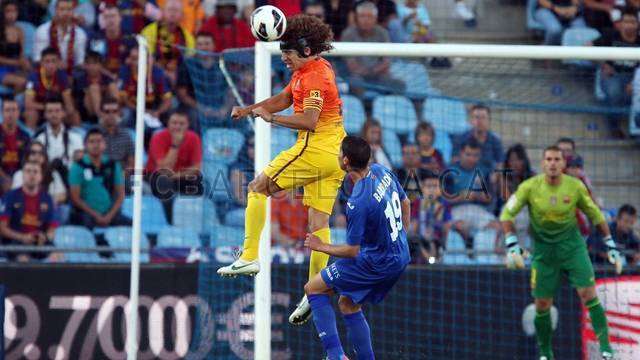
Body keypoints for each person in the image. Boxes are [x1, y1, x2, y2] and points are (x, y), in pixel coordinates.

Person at [216, 14, 347, 326]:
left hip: (315, 148)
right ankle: (316, 288)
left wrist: (271, 119)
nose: (284, 60)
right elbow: (285, 97)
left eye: (287, 55)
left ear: (302, 51)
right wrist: (250, 110)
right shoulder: (313, 69)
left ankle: (248, 256)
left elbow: (309, 121)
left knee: (257, 188)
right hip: (336, 154)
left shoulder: (314, 77)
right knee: (318, 223)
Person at [500, 145, 619, 360]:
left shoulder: (575, 186)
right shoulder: (529, 187)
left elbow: (596, 216)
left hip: (573, 250)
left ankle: (606, 347)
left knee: (589, 296)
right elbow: (507, 213)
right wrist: (511, 243)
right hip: (544, 254)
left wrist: (610, 244)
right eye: (549, 159)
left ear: (563, 164)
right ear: (543, 163)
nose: (553, 163)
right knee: (542, 304)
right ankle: (546, 353)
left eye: (557, 159)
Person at [303, 136, 410, 360]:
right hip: (400, 254)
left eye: (339, 152)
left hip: (377, 262)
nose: (337, 155)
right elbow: (406, 202)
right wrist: (400, 236)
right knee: (348, 305)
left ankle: (335, 356)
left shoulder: (358, 201)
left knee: (313, 288)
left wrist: (321, 245)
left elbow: (352, 251)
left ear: (345, 161)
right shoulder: (382, 171)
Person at [145, 110, 203, 222]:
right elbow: (163, 170)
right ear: (168, 124)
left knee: (197, 181)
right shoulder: (158, 137)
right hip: (156, 176)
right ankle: (169, 220)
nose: (177, 127)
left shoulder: (193, 138)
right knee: (164, 181)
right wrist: (175, 145)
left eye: (181, 124)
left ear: (187, 125)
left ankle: (191, 219)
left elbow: (196, 168)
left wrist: (176, 176)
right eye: (174, 123)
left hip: (178, 176)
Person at [69, 128, 130, 229]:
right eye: (92, 142)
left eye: (99, 141)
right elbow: (76, 198)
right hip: (86, 214)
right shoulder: (78, 167)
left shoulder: (113, 165)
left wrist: (109, 216)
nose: (96, 145)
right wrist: (96, 216)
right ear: (85, 145)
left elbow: (120, 195)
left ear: (104, 144)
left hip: (109, 213)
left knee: (132, 226)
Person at [341, 1, 405, 95]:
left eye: (369, 16)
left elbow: (386, 61)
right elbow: (350, 64)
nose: (366, 20)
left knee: (399, 85)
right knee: (355, 83)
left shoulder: (383, 33)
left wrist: (373, 71)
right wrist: (366, 72)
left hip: (378, 75)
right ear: (356, 18)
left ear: (375, 19)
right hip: (356, 76)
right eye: (362, 16)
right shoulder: (348, 34)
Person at [0, 160, 59, 262]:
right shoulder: (10, 196)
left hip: (39, 243)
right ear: (22, 175)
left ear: (41, 176)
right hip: (15, 241)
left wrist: (44, 237)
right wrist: (22, 237)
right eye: (28, 171)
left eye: (35, 171)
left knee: (58, 257)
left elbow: (52, 229)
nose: (32, 174)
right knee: (23, 260)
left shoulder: (47, 198)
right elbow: (2, 228)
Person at [12, 141, 68, 223]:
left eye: (41, 153)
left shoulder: (53, 174)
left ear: (45, 157)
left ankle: (51, 233)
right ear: (27, 156)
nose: (37, 156)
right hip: (25, 210)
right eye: (33, 153)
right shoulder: (19, 174)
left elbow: (63, 195)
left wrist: (47, 202)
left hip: (48, 210)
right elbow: (16, 196)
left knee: (64, 209)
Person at [141, 0, 195, 85]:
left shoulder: (188, 38)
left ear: (182, 15)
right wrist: (164, 73)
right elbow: (147, 59)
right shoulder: (149, 32)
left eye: (176, 10)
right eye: (169, 10)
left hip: (178, 81)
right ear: (162, 12)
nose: (172, 13)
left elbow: (189, 64)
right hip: (153, 78)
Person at [25, 47, 79, 129]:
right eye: (47, 61)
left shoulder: (62, 77)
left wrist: (64, 111)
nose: (50, 65)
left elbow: (69, 103)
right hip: (40, 109)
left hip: (57, 110)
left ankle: (75, 139)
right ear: (41, 63)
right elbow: (28, 103)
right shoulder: (33, 77)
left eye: (53, 61)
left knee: (74, 115)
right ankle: (31, 140)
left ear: (58, 63)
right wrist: (48, 108)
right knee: (31, 114)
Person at [33, 0, 88, 74]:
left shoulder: (80, 33)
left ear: (73, 12)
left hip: (72, 73)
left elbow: (80, 62)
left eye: (69, 9)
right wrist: (55, 64)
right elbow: (38, 59)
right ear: (55, 11)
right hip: (47, 71)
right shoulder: (43, 30)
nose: (65, 13)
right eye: (62, 9)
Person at [410, 171, 451, 263]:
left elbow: (447, 226)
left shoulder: (444, 204)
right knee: (416, 243)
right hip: (420, 239)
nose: (432, 190)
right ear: (422, 188)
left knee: (433, 244)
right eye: (429, 186)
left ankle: (434, 259)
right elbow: (414, 223)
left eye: (435, 186)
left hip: (437, 239)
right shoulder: (417, 203)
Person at [452, 103, 503, 175]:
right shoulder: (460, 139)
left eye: (483, 117)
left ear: (489, 120)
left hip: (488, 178)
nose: (480, 121)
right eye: (476, 117)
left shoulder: (495, 141)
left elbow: (500, 163)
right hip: (465, 177)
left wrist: (494, 175)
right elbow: (454, 161)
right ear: (471, 120)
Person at [88, 4, 136, 76]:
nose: (110, 20)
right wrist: (111, 76)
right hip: (104, 78)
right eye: (107, 17)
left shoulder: (130, 38)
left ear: (120, 18)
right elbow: (96, 64)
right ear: (103, 19)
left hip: (125, 77)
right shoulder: (97, 38)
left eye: (113, 16)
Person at [73, 51, 119, 121]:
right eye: (88, 64)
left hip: (107, 108)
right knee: (94, 88)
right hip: (88, 112)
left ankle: (116, 113)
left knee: (113, 86)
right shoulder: (80, 80)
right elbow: (78, 101)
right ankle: (101, 117)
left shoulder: (106, 78)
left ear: (101, 65)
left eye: (95, 63)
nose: (91, 67)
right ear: (85, 65)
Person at [0, 99, 31, 194]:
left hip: (19, 176)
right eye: (7, 110)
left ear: (18, 113)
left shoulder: (25, 136)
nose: (11, 114)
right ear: (2, 113)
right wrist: (4, 178)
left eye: (13, 110)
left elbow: (27, 160)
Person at [0, 0, 29, 93]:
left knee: (33, 79)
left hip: (16, 67)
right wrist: (15, 62)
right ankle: (11, 103)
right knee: (22, 82)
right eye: (8, 11)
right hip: (2, 68)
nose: (12, 14)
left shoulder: (20, 31)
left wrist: (24, 63)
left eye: (14, 11)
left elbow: (21, 53)